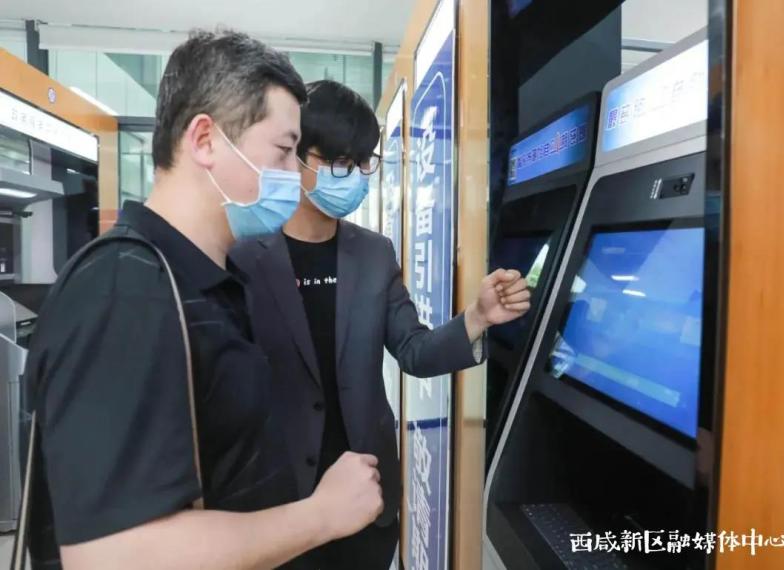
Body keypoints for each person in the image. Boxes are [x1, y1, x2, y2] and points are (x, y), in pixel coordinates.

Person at [22, 33, 382, 570]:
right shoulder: (125, 290)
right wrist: (321, 516)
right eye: (284, 151)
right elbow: (111, 556)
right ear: (206, 140)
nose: (293, 175)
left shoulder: (204, 279)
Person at [230, 80, 531, 569]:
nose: (353, 176)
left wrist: (477, 317)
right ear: (296, 156)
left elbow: (414, 350)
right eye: (338, 162)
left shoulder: (373, 253)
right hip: (278, 500)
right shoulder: (244, 257)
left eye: (362, 162)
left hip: (367, 496)